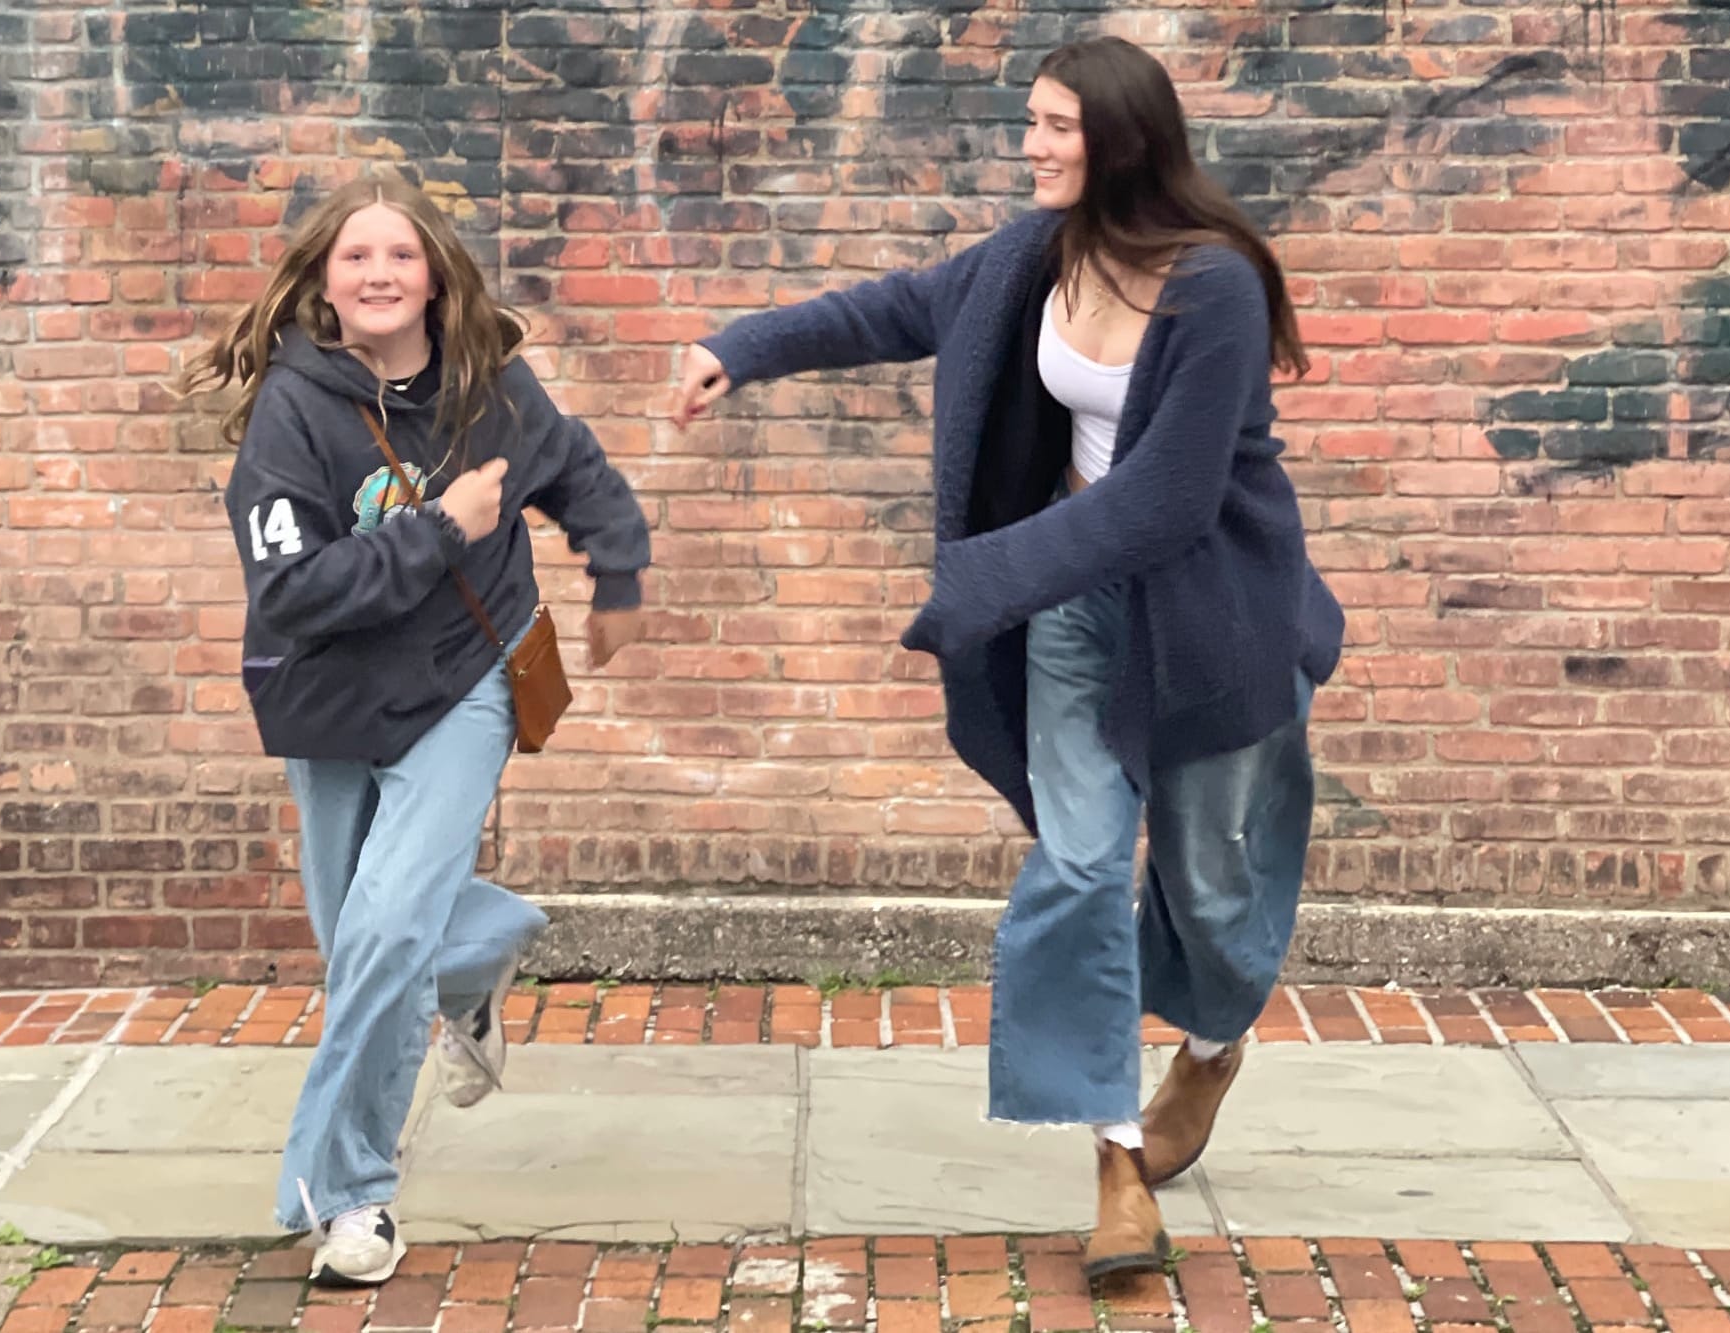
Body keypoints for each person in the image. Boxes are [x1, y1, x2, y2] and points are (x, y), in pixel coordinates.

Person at [672, 36, 1344, 1283]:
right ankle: (1113, 1165)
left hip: (1211, 621)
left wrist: (980, 578)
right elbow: (893, 310)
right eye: (1028, 122)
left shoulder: (1214, 287)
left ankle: (1209, 1040)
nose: (1028, 145)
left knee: (1207, 890)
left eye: (1051, 125)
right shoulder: (1031, 259)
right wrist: (742, 346)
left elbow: (1165, 500)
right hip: (1074, 614)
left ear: (1120, 138)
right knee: (1080, 867)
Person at [183, 174, 652, 1287]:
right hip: (330, 701)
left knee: (385, 935)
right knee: (368, 947)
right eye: (356, 258)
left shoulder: (491, 391)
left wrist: (617, 575)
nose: (379, 273)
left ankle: (345, 1193)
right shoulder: (290, 414)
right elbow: (291, 593)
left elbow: (580, 472)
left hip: (463, 685)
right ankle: (472, 955)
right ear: (324, 283)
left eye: (399, 255)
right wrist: (441, 528)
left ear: (434, 276)